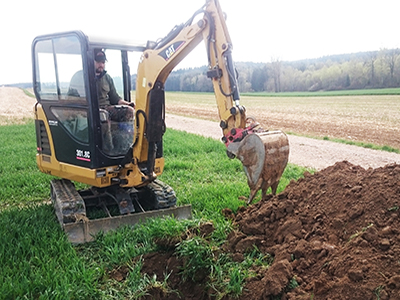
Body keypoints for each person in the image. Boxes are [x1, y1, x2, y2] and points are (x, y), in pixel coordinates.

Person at [94, 49, 135, 154]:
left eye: (103, 62)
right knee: (103, 116)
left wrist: (129, 105)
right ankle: (109, 151)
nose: (101, 65)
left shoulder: (107, 78)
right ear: (91, 62)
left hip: (106, 108)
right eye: (98, 62)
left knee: (129, 111)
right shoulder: (82, 77)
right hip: (91, 110)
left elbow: (115, 98)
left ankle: (125, 147)